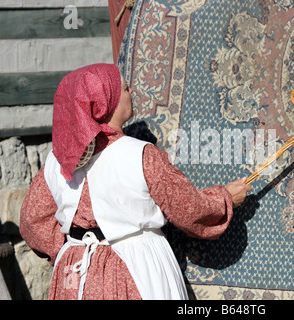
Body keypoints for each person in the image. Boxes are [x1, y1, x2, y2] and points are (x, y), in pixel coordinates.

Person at [19, 63, 252, 300]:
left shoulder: (56, 161)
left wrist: (71, 249)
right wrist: (225, 199)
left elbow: (32, 222)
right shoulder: (141, 155)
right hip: (134, 268)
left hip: (74, 275)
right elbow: (189, 210)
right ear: (106, 103)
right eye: (126, 89)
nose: (132, 94)